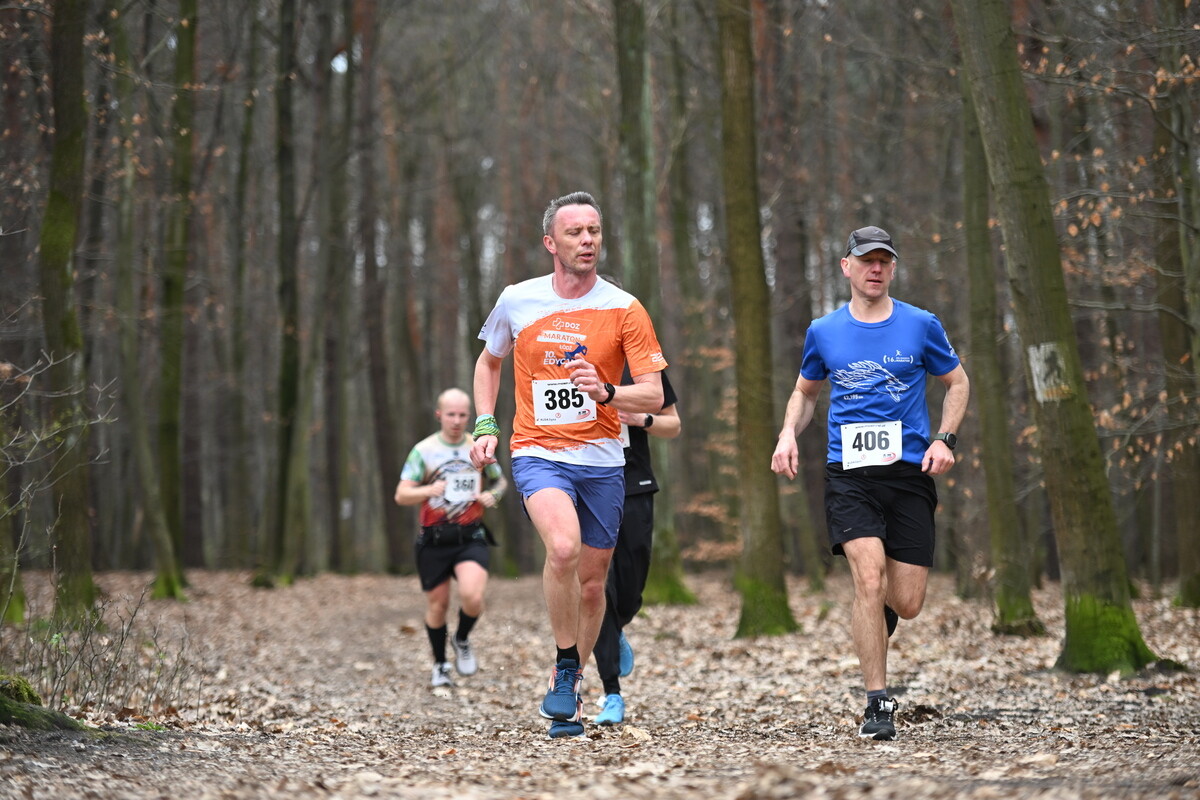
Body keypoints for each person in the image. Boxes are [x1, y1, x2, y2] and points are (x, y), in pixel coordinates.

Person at [470, 191, 666, 739]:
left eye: (595, 231)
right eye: (576, 232)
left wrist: (607, 392)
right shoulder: (518, 300)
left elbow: (652, 396)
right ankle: (563, 665)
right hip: (538, 452)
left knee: (592, 584)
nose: (587, 241)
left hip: (604, 461)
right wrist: (486, 424)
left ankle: (570, 690)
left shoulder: (625, 308)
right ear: (550, 243)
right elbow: (488, 364)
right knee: (563, 548)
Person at [770, 225, 969, 741]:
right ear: (847, 267)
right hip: (849, 475)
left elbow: (958, 382)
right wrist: (788, 433)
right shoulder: (824, 331)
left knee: (906, 601)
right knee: (868, 578)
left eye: (884, 261)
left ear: (893, 268)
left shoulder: (921, 324)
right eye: (866, 260)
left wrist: (945, 439)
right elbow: (806, 393)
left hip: (909, 475)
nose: (875, 268)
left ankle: (872, 622)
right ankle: (878, 702)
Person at [394, 387, 507, 688]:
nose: (456, 421)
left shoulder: (478, 445)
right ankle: (441, 665)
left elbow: (500, 481)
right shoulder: (424, 450)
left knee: (473, 597)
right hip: (433, 538)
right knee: (438, 605)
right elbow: (401, 494)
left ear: (469, 416)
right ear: (439, 415)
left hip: (471, 536)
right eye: (451, 414)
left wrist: (491, 495)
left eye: (462, 415)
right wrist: (428, 491)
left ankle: (462, 638)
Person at [591, 366, 680, 726]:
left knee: (629, 590)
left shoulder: (640, 366)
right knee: (596, 590)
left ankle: (616, 625)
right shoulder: (567, 359)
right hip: (588, 481)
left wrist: (642, 418)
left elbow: (673, 424)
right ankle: (611, 692)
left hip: (634, 482)